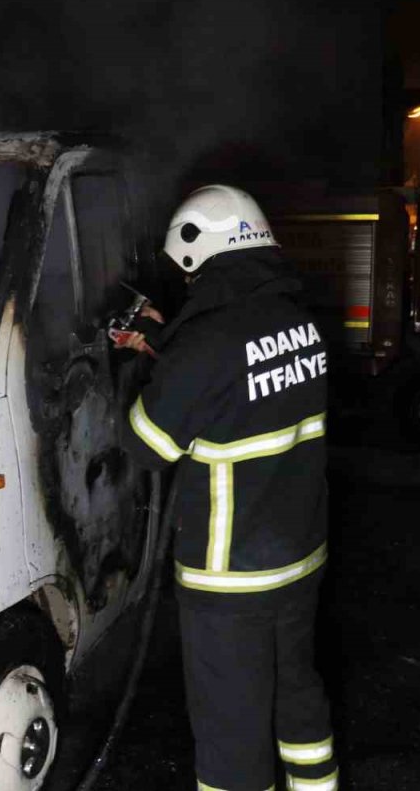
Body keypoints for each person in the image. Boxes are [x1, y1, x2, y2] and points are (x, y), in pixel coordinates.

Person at [117, 185, 337, 791]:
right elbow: (240, 380)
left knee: (230, 730)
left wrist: (142, 370)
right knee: (297, 693)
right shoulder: (300, 320)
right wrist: (167, 342)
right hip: (299, 559)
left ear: (198, 255)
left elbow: (146, 445)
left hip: (230, 575)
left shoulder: (205, 345)